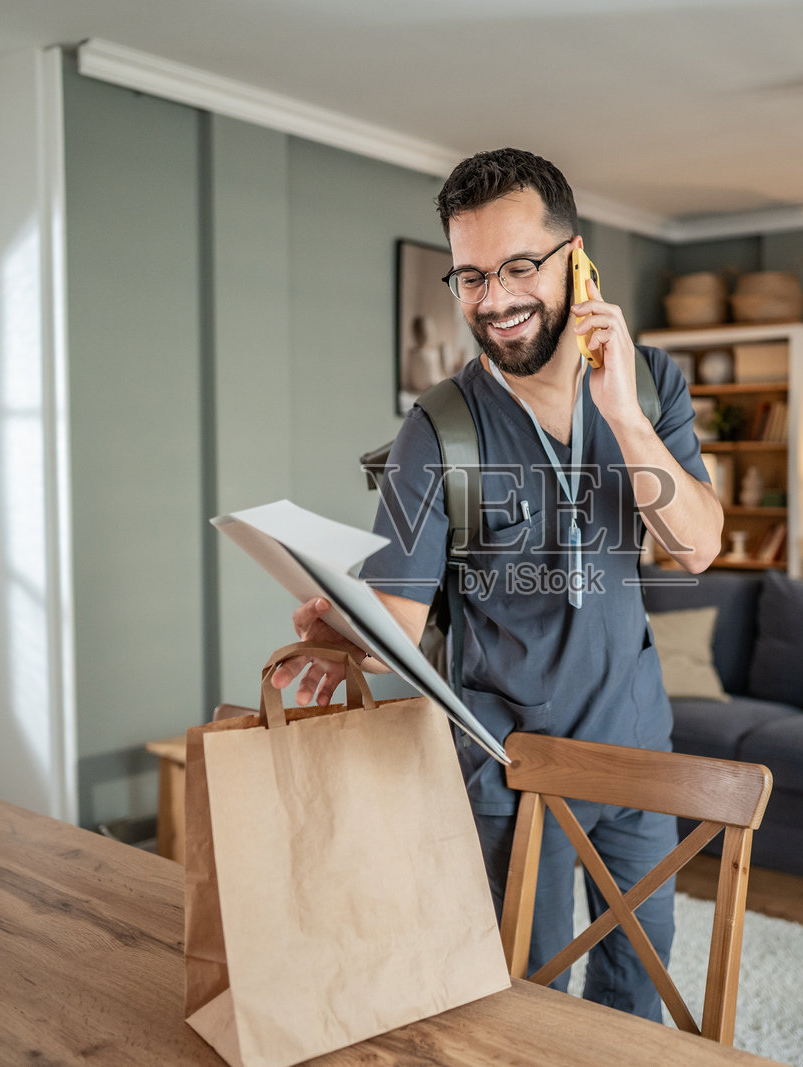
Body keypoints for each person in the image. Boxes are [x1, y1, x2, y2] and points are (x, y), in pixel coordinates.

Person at [271, 147, 722, 1021]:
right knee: (525, 1000)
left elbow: (697, 547)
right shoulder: (437, 428)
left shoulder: (654, 382)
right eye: (471, 276)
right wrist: (349, 632)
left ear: (577, 260)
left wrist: (623, 411)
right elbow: (397, 612)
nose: (497, 300)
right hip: (514, 775)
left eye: (520, 267)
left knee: (641, 987)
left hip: (638, 752)